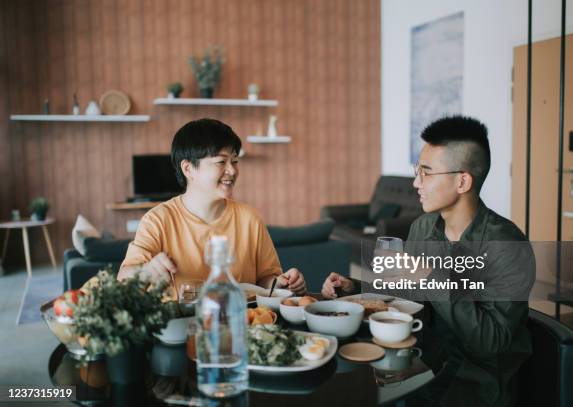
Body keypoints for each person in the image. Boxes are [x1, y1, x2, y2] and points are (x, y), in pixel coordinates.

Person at [322, 116, 534, 406]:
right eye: (416, 170)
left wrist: (428, 276)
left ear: (462, 181)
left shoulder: (508, 245)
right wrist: (353, 289)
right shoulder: (423, 228)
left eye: (426, 172)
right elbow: (405, 298)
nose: (415, 182)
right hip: (428, 364)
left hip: (480, 386)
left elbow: (490, 342)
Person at [118, 118, 306, 297]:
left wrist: (281, 284)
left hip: (243, 323)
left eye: (234, 161)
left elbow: (266, 279)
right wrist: (147, 272)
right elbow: (123, 281)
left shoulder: (249, 218)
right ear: (188, 169)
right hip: (180, 325)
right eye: (221, 162)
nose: (232, 170)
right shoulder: (157, 220)